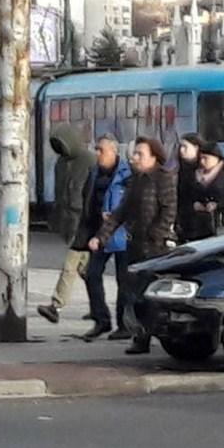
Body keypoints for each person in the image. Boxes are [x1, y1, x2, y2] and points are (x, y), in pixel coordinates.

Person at [90, 137, 177, 355]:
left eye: (140, 154)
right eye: (134, 153)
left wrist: (156, 234)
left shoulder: (163, 179)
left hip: (156, 250)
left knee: (151, 296)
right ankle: (140, 338)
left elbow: (169, 211)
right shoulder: (136, 180)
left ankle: (160, 334)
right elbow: (120, 212)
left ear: (153, 157)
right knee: (133, 295)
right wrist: (101, 237)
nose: (134, 157)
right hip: (135, 247)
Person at [75, 134, 132, 341]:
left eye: (102, 150)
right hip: (100, 233)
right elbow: (88, 201)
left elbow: (133, 201)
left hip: (122, 233)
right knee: (91, 274)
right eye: (96, 149)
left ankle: (125, 324)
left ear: (114, 151)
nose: (98, 154)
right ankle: (101, 319)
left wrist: (119, 216)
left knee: (123, 281)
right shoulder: (94, 173)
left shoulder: (127, 172)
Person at [36, 125, 95, 325]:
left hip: (84, 222)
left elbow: (92, 193)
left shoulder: (88, 161)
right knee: (86, 270)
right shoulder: (61, 163)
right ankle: (98, 307)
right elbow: (60, 192)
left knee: (70, 266)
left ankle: (56, 306)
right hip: (70, 221)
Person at [182, 141, 224, 242]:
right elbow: (185, 196)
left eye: (206, 158)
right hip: (198, 227)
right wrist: (194, 204)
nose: (202, 161)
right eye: (201, 158)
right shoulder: (193, 175)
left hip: (223, 225)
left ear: (217, 158)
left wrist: (218, 204)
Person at [175, 134, 203, 241]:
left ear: (196, 148)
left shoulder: (205, 169)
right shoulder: (179, 170)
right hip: (184, 223)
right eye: (180, 147)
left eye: (185, 147)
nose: (181, 150)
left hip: (202, 224)